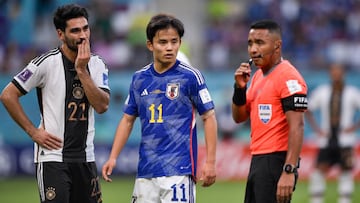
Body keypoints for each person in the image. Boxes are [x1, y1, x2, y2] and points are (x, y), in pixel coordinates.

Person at [102, 13, 217, 203]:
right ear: (150, 45)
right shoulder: (139, 79)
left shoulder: (191, 77)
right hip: (146, 171)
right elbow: (127, 119)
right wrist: (113, 157)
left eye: (174, 41)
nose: (169, 47)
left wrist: (210, 162)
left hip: (179, 170)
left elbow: (209, 117)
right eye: (163, 42)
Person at [0, 4, 110, 203]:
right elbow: (8, 95)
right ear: (61, 34)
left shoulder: (97, 64)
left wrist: (82, 71)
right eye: (75, 31)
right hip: (52, 158)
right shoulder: (45, 63)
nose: (83, 35)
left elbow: (102, 106)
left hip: (86, 157)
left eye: (85, 28)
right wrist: (33, 132)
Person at [231, 19, 308, 203]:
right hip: (258, 159)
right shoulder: (258, 76)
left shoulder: (289, 77)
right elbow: (239, 117)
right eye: (250, 43)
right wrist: (239, 89)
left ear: (277, 46)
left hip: (276, 162)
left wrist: (289, 170)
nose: (253, 49)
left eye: (260, 43)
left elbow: (297, 126)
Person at [306, 63, 360, 203]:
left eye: (339, 71)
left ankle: (344, 200)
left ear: (343, 74)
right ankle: (316, 200)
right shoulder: (323, 91)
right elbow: (308, 109)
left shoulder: (351, 92)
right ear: (330, 74)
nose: (336, 74)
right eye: (334, 71)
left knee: (346, 172)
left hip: (345, 139)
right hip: (327, 139)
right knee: (319, 171)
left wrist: (354, 127)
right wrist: (317, 129)